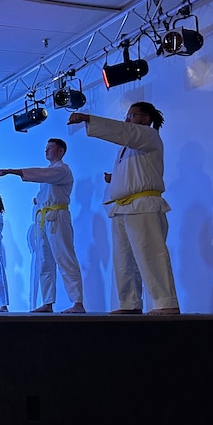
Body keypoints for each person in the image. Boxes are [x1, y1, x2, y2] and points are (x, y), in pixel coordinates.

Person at [68, 102, 180, 315]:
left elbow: (125, 132)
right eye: (127, 115)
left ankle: (166, 302)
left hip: (143, 206)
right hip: (122, 209)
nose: (127, 119)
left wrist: (89, 119)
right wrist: (115, 180)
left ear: (146, 119)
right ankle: (129, 304)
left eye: (132, 115)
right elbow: (136, 171)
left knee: (151, 254)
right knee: (123, 260)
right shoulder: (127, 148)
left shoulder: (148, 135)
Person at [0, 138, 85, 313]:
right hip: (44, 219)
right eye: (46, 148)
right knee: (45, 261)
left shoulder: (62, 169)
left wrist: (12, 171)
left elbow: (42, 174)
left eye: (50, 148)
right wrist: (39, 200)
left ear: (61, 151)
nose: (46, 150)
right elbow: (46, 187)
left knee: (65, 258)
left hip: (57, 218)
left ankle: (78, 302)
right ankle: (48, 301)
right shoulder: (51, 172)